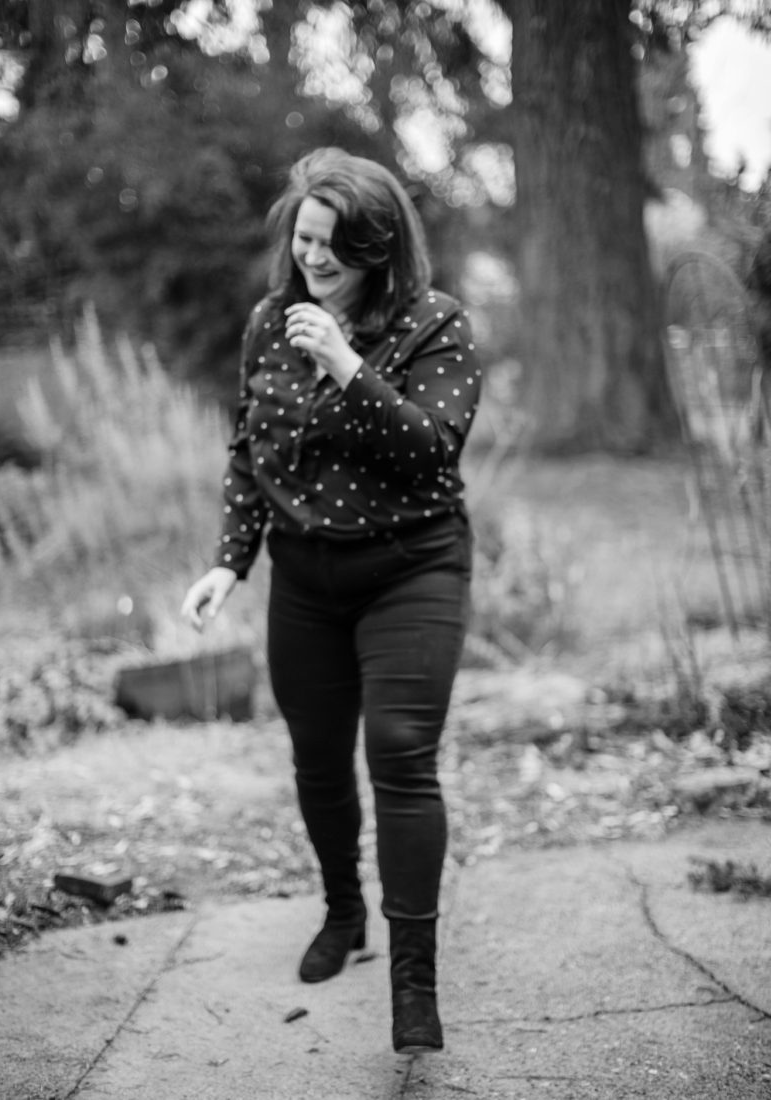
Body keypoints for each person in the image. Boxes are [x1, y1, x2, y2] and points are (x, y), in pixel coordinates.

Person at [181, 147, 481, 1054]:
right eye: (305, 239)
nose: (313, 259)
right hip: (305, 577)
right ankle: (344, 913)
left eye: (334, 248)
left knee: (399, 750)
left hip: (411, 568)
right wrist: (230, 562)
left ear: (378, 251)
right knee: (317, 758)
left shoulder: (437, 325)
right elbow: (250, 449)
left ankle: (413, 982)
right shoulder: (272, 319)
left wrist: (351, 365)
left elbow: (431, 448)